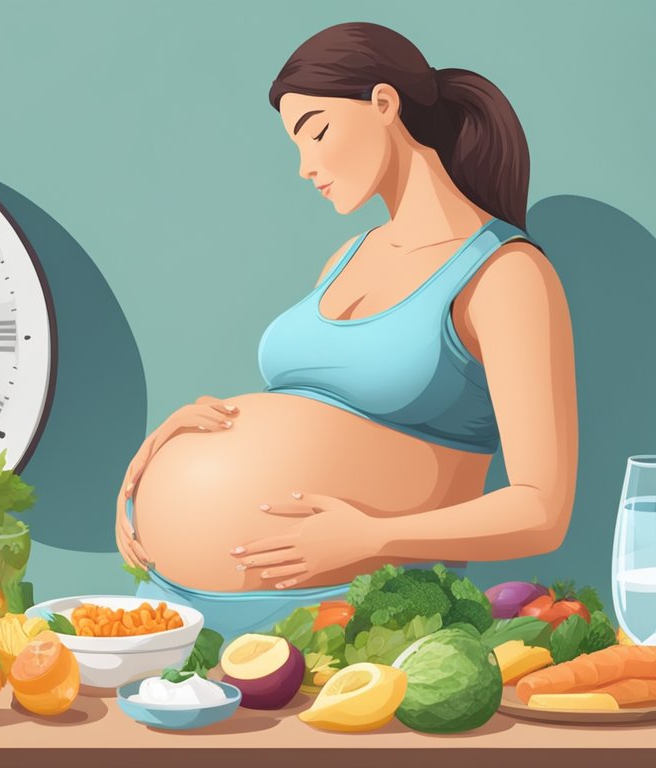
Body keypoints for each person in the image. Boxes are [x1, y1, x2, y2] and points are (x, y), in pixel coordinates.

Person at [114, 22, 578, 641]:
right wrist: (169, 450)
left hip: (353, 616)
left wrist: (372, 535)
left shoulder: (507, 272)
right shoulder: (346, 257)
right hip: (169, 604)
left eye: (318, 132)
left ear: (384, 104)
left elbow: (541, 510)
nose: (306, 168)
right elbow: (316, 416)